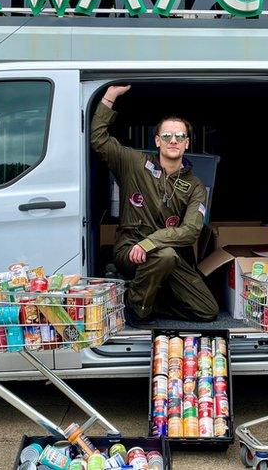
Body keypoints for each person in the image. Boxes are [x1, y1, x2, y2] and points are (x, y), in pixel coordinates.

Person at [91, 85, 219, 325]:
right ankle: (137, 310)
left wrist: (150, 243)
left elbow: (192, 230)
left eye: (179, 136)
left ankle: (143, 299)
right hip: (129, 250)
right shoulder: (134, 164)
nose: (174, 140)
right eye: (167, 136)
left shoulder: (195, 187)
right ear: (158, 141)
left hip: (168, 256)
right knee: (166, 255)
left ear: (187, 143)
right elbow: (98, 139)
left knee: (207, 310)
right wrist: (110, 96)